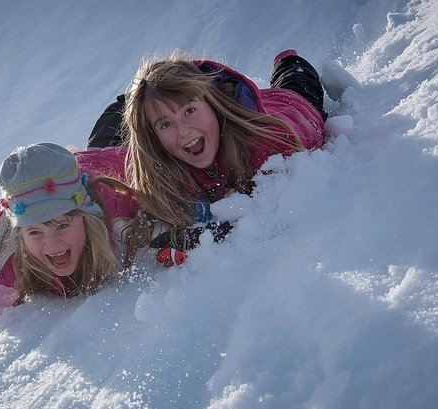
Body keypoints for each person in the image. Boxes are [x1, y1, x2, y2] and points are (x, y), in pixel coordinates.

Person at [91, 50, 327, 265]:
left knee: (297, 81)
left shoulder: (266, 145)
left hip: (292, 106)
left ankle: (288, 60)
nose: (183, 130)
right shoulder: (162, 160)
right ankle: (145, 101)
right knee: (125, 119)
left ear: (213, 105)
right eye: (166, 124)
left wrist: (211, 234)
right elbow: (104, 168)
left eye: (190, 111)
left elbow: (271, 213)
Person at [0, 142, 138, 304]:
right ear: (19, 235)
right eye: (35, 232)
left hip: (105, 161)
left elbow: (144, 166)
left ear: (85, 217)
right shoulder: (2, 259)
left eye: (62, 225)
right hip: (46, 189)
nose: (51, 243)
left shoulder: (113, 205)